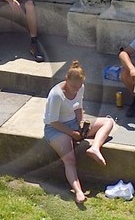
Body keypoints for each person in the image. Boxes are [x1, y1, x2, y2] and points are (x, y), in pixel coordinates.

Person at [44, 62, 114, 206]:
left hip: (73, 123)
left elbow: (78, 107)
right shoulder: (56, 95)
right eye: (73, 86)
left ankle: (95, 148)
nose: (76, 89)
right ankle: (78, 191)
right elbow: (53, 122)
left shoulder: (80, 87)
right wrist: (72, 133)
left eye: (78, 86)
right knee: (69, 160)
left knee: (108, 122)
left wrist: (81, 122)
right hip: (56, 128)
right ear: (66, 79)